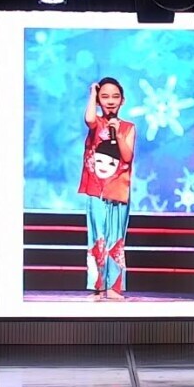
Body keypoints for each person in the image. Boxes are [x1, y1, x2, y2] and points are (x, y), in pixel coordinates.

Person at [79, 77, 137, 300]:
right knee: (98, 238)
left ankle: (114, 287)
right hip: (96, 190)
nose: (110, 101)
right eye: (104, 96)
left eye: (115, 96)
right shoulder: (96, 123)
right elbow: (89, 118)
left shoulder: (128, 127)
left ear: (123, 100)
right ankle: (98, 285)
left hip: (119, 190)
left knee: (116, 240)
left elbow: (127, 156)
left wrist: (118, 133)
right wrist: (92, 94)